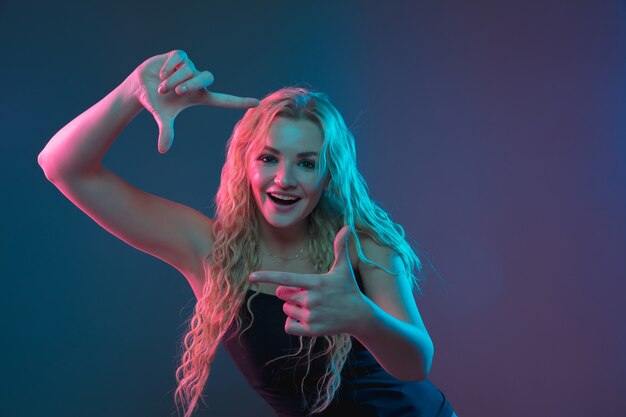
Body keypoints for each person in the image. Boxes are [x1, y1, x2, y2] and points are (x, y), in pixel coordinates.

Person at [38, 50, 457, 417]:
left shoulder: (364, 246)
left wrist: (363, 319)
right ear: (246, 165)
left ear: (328, 175)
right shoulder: (209, 252)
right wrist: (132, 90)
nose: (285, 179)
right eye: (269, 158)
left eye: (307, 163)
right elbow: (62, 166)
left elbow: (415, 364)